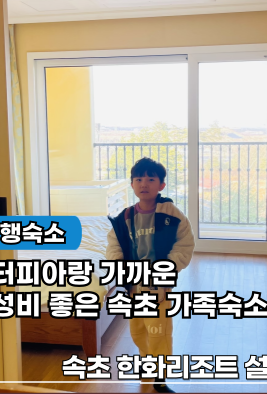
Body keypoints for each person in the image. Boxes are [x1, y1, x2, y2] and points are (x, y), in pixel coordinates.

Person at [106, 157, 195, 393]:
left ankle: (160, 377)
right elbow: (114, 245)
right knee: (138, 329)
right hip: (134, 284)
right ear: (132, 185)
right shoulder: (125, 217)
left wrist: (167, 268)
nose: (144, 184)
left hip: (158, 285)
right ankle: (147, 363)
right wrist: (119, 266)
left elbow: (184, 244)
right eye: (138, 179)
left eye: (150, 179)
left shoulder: (172, 215)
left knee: (159, 331)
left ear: (161, 185)